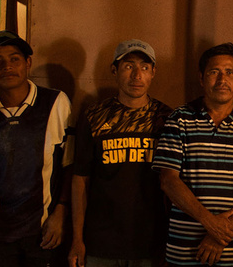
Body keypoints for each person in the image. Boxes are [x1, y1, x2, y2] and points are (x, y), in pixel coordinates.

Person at [0, 31, 74, 267]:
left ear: (28, 63)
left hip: (44, 234)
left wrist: (61, 213)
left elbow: (69, 165)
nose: (6, 66)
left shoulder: (55, 102)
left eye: (14, 59)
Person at [153, 42, 233, 266]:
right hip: (186, 249)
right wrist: (210, 222)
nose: (222, 80)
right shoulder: (179, 119)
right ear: (201, 78)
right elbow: (168, 181)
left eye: (230, 72)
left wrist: (222, 233)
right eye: (214, 72)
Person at [67, 39, 173, 267]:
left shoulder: (166, 119)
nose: (137, 75)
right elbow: (80, 180)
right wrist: (77, 239)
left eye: (144, 68)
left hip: (151, 242)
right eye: (128, 66)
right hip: (101, 243)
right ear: (114, 70)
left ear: (153, 73)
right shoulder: (93, 117)